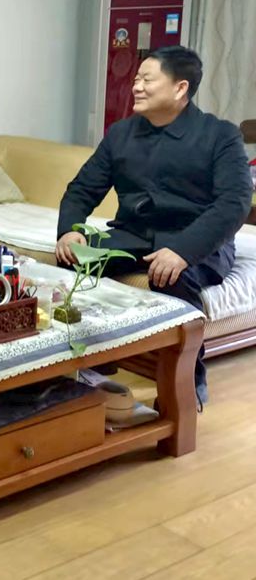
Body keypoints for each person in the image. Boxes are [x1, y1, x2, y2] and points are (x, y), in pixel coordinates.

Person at [56, 45, 252, 403]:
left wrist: (182, 251)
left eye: (147, 80)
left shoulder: (220, 136)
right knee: (71, 259)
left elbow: (233, 203)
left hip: (197, 238)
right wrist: (69, 230)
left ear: (180, 88)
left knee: (173, 276)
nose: (136, 87)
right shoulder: (121, 134)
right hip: (134, 234)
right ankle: (91, 363)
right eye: (136, 79)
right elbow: (82, 189)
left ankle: (187, 384)